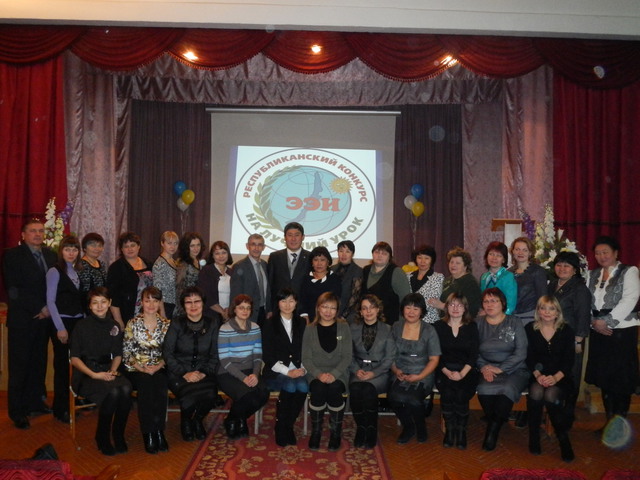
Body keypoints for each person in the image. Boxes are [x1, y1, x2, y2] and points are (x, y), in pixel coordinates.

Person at [2, 219, 57, 429]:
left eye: (41, 231)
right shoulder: (12, 256)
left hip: (44, 321)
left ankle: (35, 403)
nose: (37, 234)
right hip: (23, 320)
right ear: (23, 235)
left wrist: (49, 309)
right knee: (19, 367)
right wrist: (40, 308)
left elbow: (55, 285)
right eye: (33, 231)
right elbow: (14, 288)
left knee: (38, 364)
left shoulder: (51, 255)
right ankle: (17, 411)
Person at [585, 236, 640, 430]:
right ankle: (609, 423)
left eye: (605, 252)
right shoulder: (592, 274)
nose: (601, 256)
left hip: (622, 332)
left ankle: (620, 425)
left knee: (621, 380)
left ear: (616, 253)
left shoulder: (629, 271)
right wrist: (593, 322)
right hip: (598, 332)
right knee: (605, 379)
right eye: (598, 253)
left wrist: (606, 321)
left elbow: (630, 298)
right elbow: (586, 301)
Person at [70, 288, 133, 456]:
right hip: (86, 374)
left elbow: (118, 354)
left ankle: (118, 434)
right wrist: (94, 375)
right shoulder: (81, 326)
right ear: (89, 306)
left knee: (126, 388)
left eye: (103, 302)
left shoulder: (114, 325)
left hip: (107, 370)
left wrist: (112, 371)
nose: (99, 306)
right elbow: (74, 359)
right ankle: (102, 436)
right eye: (95, 303)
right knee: (113, 392)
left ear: (109, 303)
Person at [163, 286, 219, 442]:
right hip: (179, 372)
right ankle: (186, 421)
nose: (193, 305)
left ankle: (197, 420)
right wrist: (184, 373)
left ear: (203, 303)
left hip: (204, 371)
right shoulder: (176, 323)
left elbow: (215, 353)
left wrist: (203, 372)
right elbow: (168, 353)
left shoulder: (213, 323)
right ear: (183, 305)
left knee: (211, 395)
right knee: (189, 396)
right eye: (188, 302)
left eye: (197, 301)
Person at [476, 287, 529, 451]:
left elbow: (521, 352)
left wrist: (501, 369)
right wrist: (484, 367)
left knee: (507, 388)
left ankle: (492, 432)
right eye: (486, 301)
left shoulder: (515, 322)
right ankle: (497, 420)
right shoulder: (477, 323)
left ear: (503, 303)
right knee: (483, 388)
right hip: (487, 368)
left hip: (515, 369)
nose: (489, 304)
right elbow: (473, 351)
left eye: (494, 301)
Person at [525, 296, 576, 462]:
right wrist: (538, 375)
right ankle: (534, 436)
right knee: (536, 392)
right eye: (543, 308)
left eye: (551, 308)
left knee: (550, 395)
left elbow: (569, 360)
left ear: (557, 312)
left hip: (561, 377)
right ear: (538, 311)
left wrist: (555, 377)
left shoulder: (566, 330)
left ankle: (563, 439)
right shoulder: (530, 329)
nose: (547, 312)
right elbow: (528, 357)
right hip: (537, 375)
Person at [123, 286, 171, 454]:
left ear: (160, 303)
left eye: (155, 301)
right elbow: (127, 353)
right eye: (147, 300)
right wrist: (141, 368)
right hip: (137, 368)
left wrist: (158, 366)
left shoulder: (167, 325)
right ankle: (148, 433)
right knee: (146, 387)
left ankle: (159, 431)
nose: (151, 305)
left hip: (160, 367)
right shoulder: (133, 323)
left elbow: (171, 352)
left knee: (160, 385)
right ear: (141, 302)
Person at [302, 292, 352, 451]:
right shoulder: (309, 329)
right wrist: (319, 374)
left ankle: (335, 433)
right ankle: (316, 431)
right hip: (315, 373)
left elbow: (347, 356)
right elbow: (306, 358)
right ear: (318, 308)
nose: (328, 311)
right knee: (318, 388)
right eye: (325, 307)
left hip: (339, 373)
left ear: (337, 310)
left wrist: (334, 374)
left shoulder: (344, 327)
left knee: (335, 388)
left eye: (333, 308)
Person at [389, 293, 441, 444]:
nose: (411, 312)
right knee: (393, 398)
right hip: (399, 371)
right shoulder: (396, 327)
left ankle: (420, 426)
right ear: (403, 309)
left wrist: (419, 376)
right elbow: (389, 354)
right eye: (408, 307)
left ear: (421, 311)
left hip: (423, 373)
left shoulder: (429, 330)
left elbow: (434, 359)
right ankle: (409, 426)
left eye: (415, 308)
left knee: (413, 399)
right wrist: (395, 370)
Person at [217, 294, 269, 440]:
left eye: (248, 308)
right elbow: (225, 360)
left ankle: (234, 419)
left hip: (250, 370)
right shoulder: (225, 329)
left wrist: (255, 374)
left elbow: (257, 356)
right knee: (247, 394)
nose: (245, 311)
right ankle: (237, 420)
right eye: (241, 308)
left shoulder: (255, 328)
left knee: (263, 393)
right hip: (227, 372)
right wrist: (243, 378)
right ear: (234, 309)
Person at [548, 251, 592, 421]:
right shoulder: (552, 285)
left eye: (567, 265)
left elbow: (583, 316)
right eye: (559, 264)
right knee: (555, 371)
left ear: (575, 269)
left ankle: (568, 411)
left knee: (571, 373)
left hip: (572, 338)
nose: (562, 268)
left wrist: (578, 341)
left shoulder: (579, 288)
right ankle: (555, 409)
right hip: (552, 336)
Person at [261, 288, 308, 447]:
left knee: (303, 386)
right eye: (283, 301)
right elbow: (267, 355)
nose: (287, 305)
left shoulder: (302, 323)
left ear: (296, 303)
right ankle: (281, 426)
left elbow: (306, 349)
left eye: (291, 301)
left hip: (298, 368)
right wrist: (288, 371)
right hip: (275, 371)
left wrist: (302, 369)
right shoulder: (269, 323)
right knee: (290, 385)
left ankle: (288, 425)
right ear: (278, 303)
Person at [46, 235, 85, 424]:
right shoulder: (54, 271)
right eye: (67, 249)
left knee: (76, 366)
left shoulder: (77, 271)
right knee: (62, 367)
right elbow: (50, 301)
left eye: (75, 249)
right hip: (62, 323)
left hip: (77, 323)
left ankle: (72, 404)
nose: (71, 253)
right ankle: (60, 408)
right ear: (61, 251)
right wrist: (60, 328)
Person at [433, 293, 479, 449]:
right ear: (446, 307)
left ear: (465, 308)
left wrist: (462, 373)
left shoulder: (472, 326)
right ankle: (450, 430)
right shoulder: (438, 326)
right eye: (452, 304)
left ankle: (461, 431)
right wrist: (447, 371)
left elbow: (473, 355)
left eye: (459, 305)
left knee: (461, 394)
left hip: (467, 370)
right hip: (443, 369)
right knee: (447, 393)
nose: (455, 308)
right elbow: (435, 354)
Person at [349, 294, 396, 448]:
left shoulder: (388, 329)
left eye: (372, 307)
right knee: (356, 389)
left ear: (378, 309)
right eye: (364, 308)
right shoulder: (353, 328)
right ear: (360, 312)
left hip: (379, 373)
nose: (368, 311)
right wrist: (356, 370)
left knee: (368, 390)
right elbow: (348, 354)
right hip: (359, 370)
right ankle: (361, 427)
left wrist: (374, 373)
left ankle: (371, 429)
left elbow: (389, 358)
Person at [107, 232, 153, 329]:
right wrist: (118, 320)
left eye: (133, 245)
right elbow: (113, 298)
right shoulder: (116, 268)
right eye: (126, 246)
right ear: (121, 249)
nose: (130, 249)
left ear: (138, 246)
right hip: (127, 315)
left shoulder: (148, 263)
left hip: (149, 312)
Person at [361, 241, 411, 325]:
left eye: (384, 253)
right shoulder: (366, 270)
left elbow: (405, 299)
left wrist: (402, 322)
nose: (379, 255)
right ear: (372, 254)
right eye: (377, 252)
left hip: (389, 322)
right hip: (367, 320)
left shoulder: (396, 272)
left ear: (389, 257)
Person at [229, 234, 270, 326]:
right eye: (253, 244)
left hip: (264, 313)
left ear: (263, 247)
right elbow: (235, 294)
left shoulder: (265, 265)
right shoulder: (239, 266)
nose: (256, 248)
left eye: (259, 245)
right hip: (247, 313)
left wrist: (269, 310)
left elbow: (268, 290)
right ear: (247, 246)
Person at [432, 247, 481, 319]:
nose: (453, 265)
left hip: (462, 322)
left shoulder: (470, 282)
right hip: (446, 321)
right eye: (451, 262)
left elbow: (470, 308)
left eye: (457, 263)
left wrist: (442, 306)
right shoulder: (447, 280)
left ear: (465, 266)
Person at [267, 222, 310, 305]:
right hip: (279, 307)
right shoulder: (275, 257)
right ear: (285, 237)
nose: (293, 239)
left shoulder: (310, 257)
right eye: (290, 235)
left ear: (303, 237)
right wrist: (270, 308)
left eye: (297, 235)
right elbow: (270, 285)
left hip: (303, 307)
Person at [508, 237, 548, 325]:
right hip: (510, 316)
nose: (520, 253)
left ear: (530, 253)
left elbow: (542, 297)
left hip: (530, 316)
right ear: (512, 251)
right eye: (517, 249)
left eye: (525, 250)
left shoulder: (537, 271)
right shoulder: (508, 273)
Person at [298, 246, 342, 320]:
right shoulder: (306, 279)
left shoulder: (335, 279)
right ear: (312, 262)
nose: (319, 263)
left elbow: (337, 302)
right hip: (308, 320)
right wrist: (305, 316)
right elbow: (302, 301)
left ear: (328, 262)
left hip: (329, 318)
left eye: (322, 260)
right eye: (315, 260)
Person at [198, 240, 234, 323]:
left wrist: (229, 312)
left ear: (228, 254)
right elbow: (206, 295)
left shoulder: (232, 272)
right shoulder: (206, 271)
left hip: (229, 314)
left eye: (224, 252)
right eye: (217, 253)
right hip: (211, 314)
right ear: (212, 256)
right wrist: (222, 312)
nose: (221, 256)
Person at [407, 244, 444, 324]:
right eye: (419, 258)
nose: (422, 261)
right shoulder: (408, 276)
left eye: (426, 258)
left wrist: (414, 311)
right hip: (410, 321)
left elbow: (432, 302)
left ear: (431, 260)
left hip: (430, 321)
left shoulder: (438, 277)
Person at [480, 241, 518, 315]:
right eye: (491, 254)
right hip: (487, 316)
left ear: (504, 259)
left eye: (499, 255)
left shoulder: (508, 276)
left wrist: (500, 317)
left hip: (503, 317)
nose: (494, 258)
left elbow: (511, 304)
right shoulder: (484, 277)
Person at [174, 232, 205, 318]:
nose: (196, 248)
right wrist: (183, 309)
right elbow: (179, 289)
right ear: (186, 247)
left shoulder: (199, 261)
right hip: (186, 307)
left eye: (198, 245)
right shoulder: (183, 264)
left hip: (197, 305)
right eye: (192, 246)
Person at [331, 240, 363, 322]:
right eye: (341, 251)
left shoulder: (357, 271)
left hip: (349, 315)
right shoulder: (332, 269)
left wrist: (343, 316)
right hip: (330, 312)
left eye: (348, 251)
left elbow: (355, 297)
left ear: (352, 254)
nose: (344, 254)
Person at [152, 231, 178, 319]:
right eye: (169, 243)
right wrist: (162, 312)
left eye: (175, 243)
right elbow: (157, 291)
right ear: (162, 243)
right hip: (166, 306)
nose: (173, 246)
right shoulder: (159, 264)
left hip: (174, 306)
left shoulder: (174, 261)